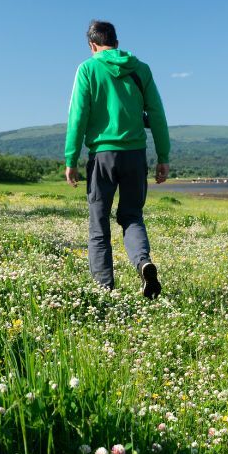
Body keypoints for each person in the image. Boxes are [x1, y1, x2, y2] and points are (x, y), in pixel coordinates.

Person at [64, 20, 170, 298]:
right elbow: (157, 114)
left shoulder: (88, 68)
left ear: (92, 45)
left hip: (102, 157)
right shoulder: (141, 69)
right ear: (117, 44)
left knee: (99, 223)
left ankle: (104, 289)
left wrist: (70, 159)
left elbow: (78, 116)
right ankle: (143, 262)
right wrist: (163, 156)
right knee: (132, 216)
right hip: (135, 155)